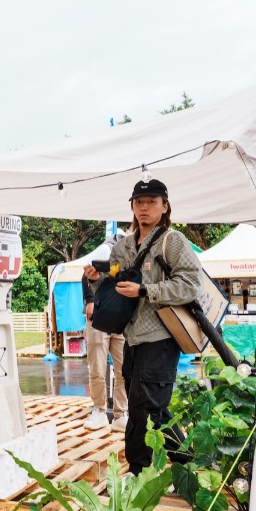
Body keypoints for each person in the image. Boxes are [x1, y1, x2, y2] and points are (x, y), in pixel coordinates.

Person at [83, 178, 201, 474]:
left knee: (141, 407)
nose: (144, 207)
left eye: (151, 201)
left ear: (165, 205)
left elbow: (190, 285)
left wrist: (147, 291)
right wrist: (97, 282)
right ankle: (187, 462)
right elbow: (112, 289)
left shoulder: (172, 241)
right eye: (139, 202)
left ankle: (137, 470)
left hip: (161, 337)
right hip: (133, 338)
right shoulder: (122, 246)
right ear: (132, 208)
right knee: (154, 407)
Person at [82, 237, 128, 431]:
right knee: (97, 369)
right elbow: (86, 275)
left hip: (122, 321)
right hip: (99, 319)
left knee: (124, 370)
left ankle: (121, 413)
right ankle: (99, 410)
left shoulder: (133, 255)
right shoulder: (105, 250)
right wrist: (90, 301)